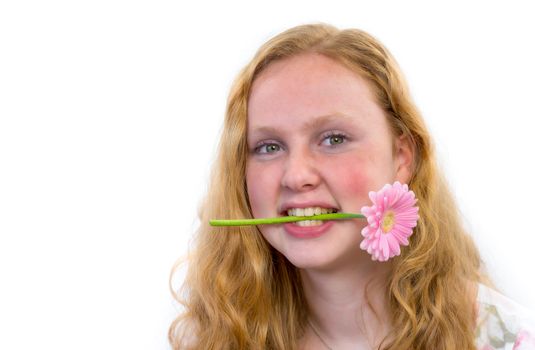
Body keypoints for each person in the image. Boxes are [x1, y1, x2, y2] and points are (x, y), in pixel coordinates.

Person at [169, 23, 534, 349]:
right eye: (269, 147)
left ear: (402, 157)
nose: (296, 176)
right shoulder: (216, 340)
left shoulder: (504, 339)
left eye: (333, 139)